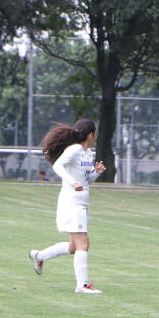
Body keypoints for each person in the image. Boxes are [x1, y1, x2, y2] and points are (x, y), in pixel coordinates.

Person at [29, 119, 106, 293]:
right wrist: (72, 182)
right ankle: (82, 286)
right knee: (83, 243)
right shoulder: (74, 149)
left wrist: (96, 173)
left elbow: (86, 180)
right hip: (72, 203)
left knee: (74, 247)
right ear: (91, 134)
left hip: (82, 204)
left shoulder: (88, 153)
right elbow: (58, 166)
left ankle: (38, 256)